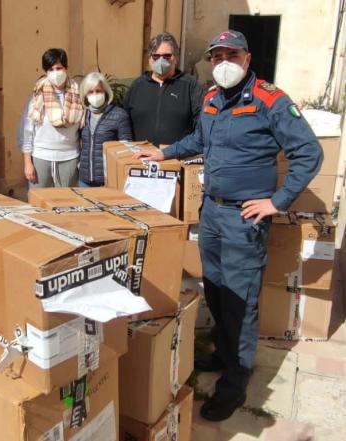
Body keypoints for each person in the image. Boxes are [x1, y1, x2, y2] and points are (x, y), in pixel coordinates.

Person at [134, 30, 323, 421]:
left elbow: (309, 152)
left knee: (240, 301)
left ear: (247, 59)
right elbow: (199, 141)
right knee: (217, 292)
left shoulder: (270, 100)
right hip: (212, 214)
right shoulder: (211, 99)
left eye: (231, 55)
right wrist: (165, 153)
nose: (223, 63)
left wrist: (277, 202)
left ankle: (235, 384)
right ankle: (223, 352)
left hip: (243, 220)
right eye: (217, 56)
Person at [18, 48, 84, 188]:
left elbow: (83, 129)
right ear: (46, 72)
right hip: (41, 157)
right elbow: (26, 131)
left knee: (67, 199)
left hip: (69, 157)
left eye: (58, 68)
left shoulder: (79, 95)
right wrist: (28, 163)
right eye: (50, 69)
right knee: (39, 200)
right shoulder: (36, 96)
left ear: (66, 68)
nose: (55, 73)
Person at [124, 32, 203, 146]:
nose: (161, 60)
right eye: (156, 56)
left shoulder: (190, 85)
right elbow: (125, 124)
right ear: (149, 59)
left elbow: (200, 125)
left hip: (177, 155)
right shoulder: (137, 86)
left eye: (167, 56)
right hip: (141, 155)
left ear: (175, 58)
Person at [79, 72, 132, 186]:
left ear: (105, 92)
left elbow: (126, 149)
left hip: (108, 181)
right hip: (84, 180)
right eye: (90, 92)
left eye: (98, 91)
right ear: (85, 95)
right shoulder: (82, 115)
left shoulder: (119, 115)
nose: (95, 95)